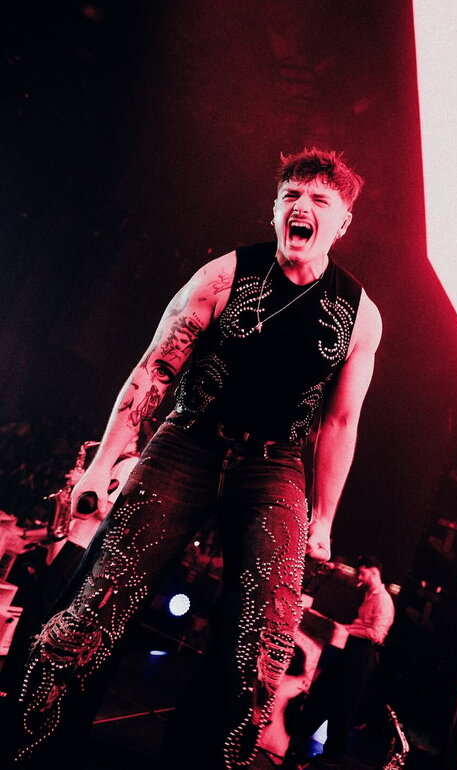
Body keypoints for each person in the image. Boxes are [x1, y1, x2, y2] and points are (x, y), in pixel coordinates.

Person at [8, 148, 382, 770]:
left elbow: (341, 422)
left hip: (275, 467)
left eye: (319, 200)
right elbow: (153, 370)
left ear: (341, 223)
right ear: (275, 209)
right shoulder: (224, 275)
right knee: (98, 605)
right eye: (291, 195)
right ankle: (32, 751)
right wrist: (102, 465)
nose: (302, 207)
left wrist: (323, 518)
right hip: (189, 443)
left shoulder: (359, 315)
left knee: (262, 643)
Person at [281, 555, 395, 770]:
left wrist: (349, 629)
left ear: (374, 571)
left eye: (362, 573)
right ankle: (300, 740)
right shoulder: (368, 594)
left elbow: (377, 634)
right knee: (323, 692)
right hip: (351, 648)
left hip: (362, 654)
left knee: (344, 703)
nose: (359, 577)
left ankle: (333, 754)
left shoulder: (383, 600)